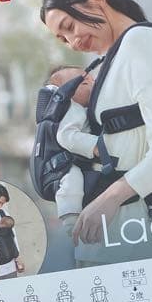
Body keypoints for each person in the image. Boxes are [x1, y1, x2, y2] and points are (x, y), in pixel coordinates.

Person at [40, 0, 152, 265]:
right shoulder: (110, 61)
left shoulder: (140, 42)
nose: (72, 42)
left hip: (134, 236)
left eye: (69, 26)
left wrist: (110, 198)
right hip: (111, 238)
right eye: (63, 39)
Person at [44, 65, 96, 236]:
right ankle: (70, 220)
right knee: (72, 180)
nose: (92, 83)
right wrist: (97, 146)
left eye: (93, 80)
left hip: (79, 157)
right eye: (83, 83)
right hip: (65, 161)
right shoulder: (73, 108)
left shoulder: (85, 108)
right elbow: (66, 136)